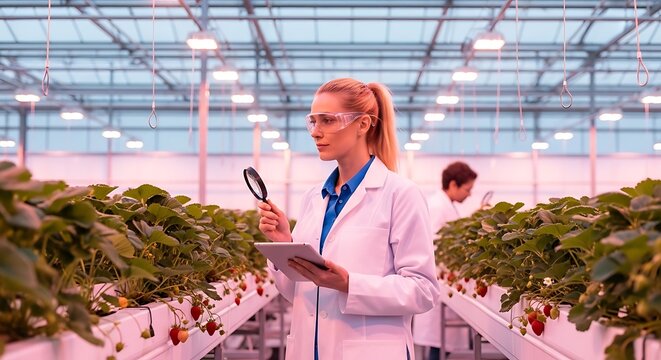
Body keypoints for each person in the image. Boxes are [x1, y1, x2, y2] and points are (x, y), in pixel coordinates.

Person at [257, 78, 441, 360]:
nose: (316, 132)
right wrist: (285, 244)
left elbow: (423, 290)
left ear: (363, 124)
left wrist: (349, 283)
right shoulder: (314, 198)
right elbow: (295, 292)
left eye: (327, 121)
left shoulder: (400, 194)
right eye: (313, 121)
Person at [412, 161, 477, 360]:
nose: (469, 194)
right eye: (467, 189)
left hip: (443, 281)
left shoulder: (445, 205)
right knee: (436, 345)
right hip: (437, 280)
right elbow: (429, 246)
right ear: (453, 185)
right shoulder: (438, 207)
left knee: (440, 345)